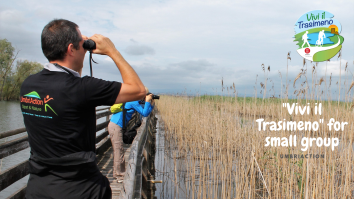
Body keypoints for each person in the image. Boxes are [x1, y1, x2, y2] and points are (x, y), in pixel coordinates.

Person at [20, 19, 146, 199]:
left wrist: (80, 46)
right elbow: (139, 90)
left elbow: (64, 94)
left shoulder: (28, 85)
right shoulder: (83, 88)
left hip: (38, 189)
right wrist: (112, 50)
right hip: (80, 190)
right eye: (82, 43)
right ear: (71, 49)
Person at [108, 87, 154, 182]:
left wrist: (151, 104)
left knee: (118, 150)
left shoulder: (132, 100)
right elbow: (144, 113)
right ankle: (120, 175)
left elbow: (146, 112)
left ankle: (117, 173)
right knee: (119, 150)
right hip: (116, 126)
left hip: (116, 125)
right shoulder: (133, 101)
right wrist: (147, 101)